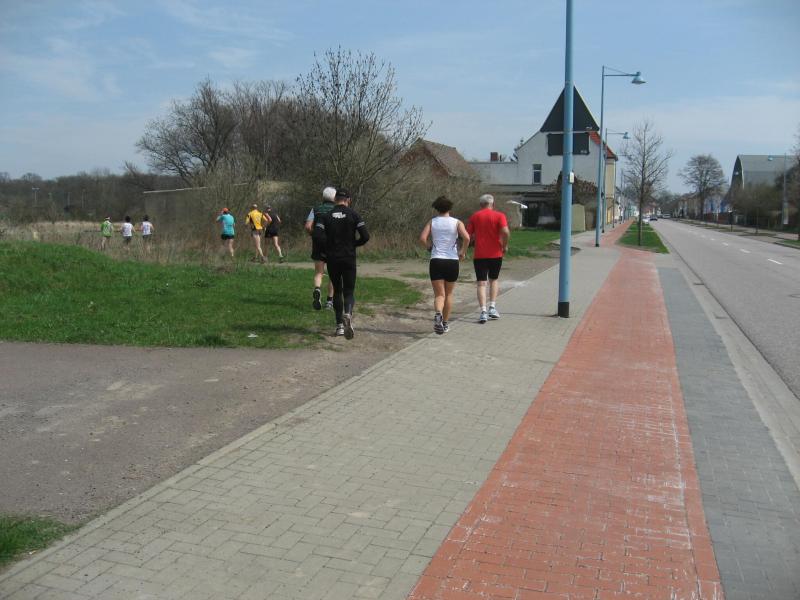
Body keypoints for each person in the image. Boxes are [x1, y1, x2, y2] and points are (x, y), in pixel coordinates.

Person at [312, 189, 369, 339]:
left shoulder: (326, 216)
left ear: (335, 199)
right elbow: (365, 236)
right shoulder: (354, 214)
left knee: (337, 291)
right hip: (349, 257)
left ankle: (339, 327)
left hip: (333, 258)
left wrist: (328, 246)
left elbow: (317, 235)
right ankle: (348, 313)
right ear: (348, 200)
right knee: (349, 291)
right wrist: (353, 244)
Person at [419, 196, 470, 334]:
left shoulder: (432, 222)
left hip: (436, 260)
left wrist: (429, 247)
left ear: (437, 208)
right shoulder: (457, 222)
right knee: (449, 294)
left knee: (439, 294)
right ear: (450, 207)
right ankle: (445, 323)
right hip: (452, 261)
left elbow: (422, 238)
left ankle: (438, 313)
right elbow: (467, 237)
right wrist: (462, 252)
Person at [466, 194, 510, 324]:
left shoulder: (475, 216)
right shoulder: (500, 215)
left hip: (479, 254)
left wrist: (464, 248)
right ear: (493, 204)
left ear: (481, 205)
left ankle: (483, 312)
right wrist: (505, 245)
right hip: (496, 254)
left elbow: (467, 235)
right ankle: (492, 307)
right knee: (494, 280)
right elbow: (506, 232)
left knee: (481, 283)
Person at [304, 186, 336, 310]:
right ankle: (329, 302)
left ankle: (317, 289)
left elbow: (308, 226)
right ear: (334, 197)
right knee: (333, 274)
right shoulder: (337, 209)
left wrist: (314, 234)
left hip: (318, 242)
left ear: (323, 197)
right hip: (333, 244)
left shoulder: (315, 209)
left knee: (319, 272)